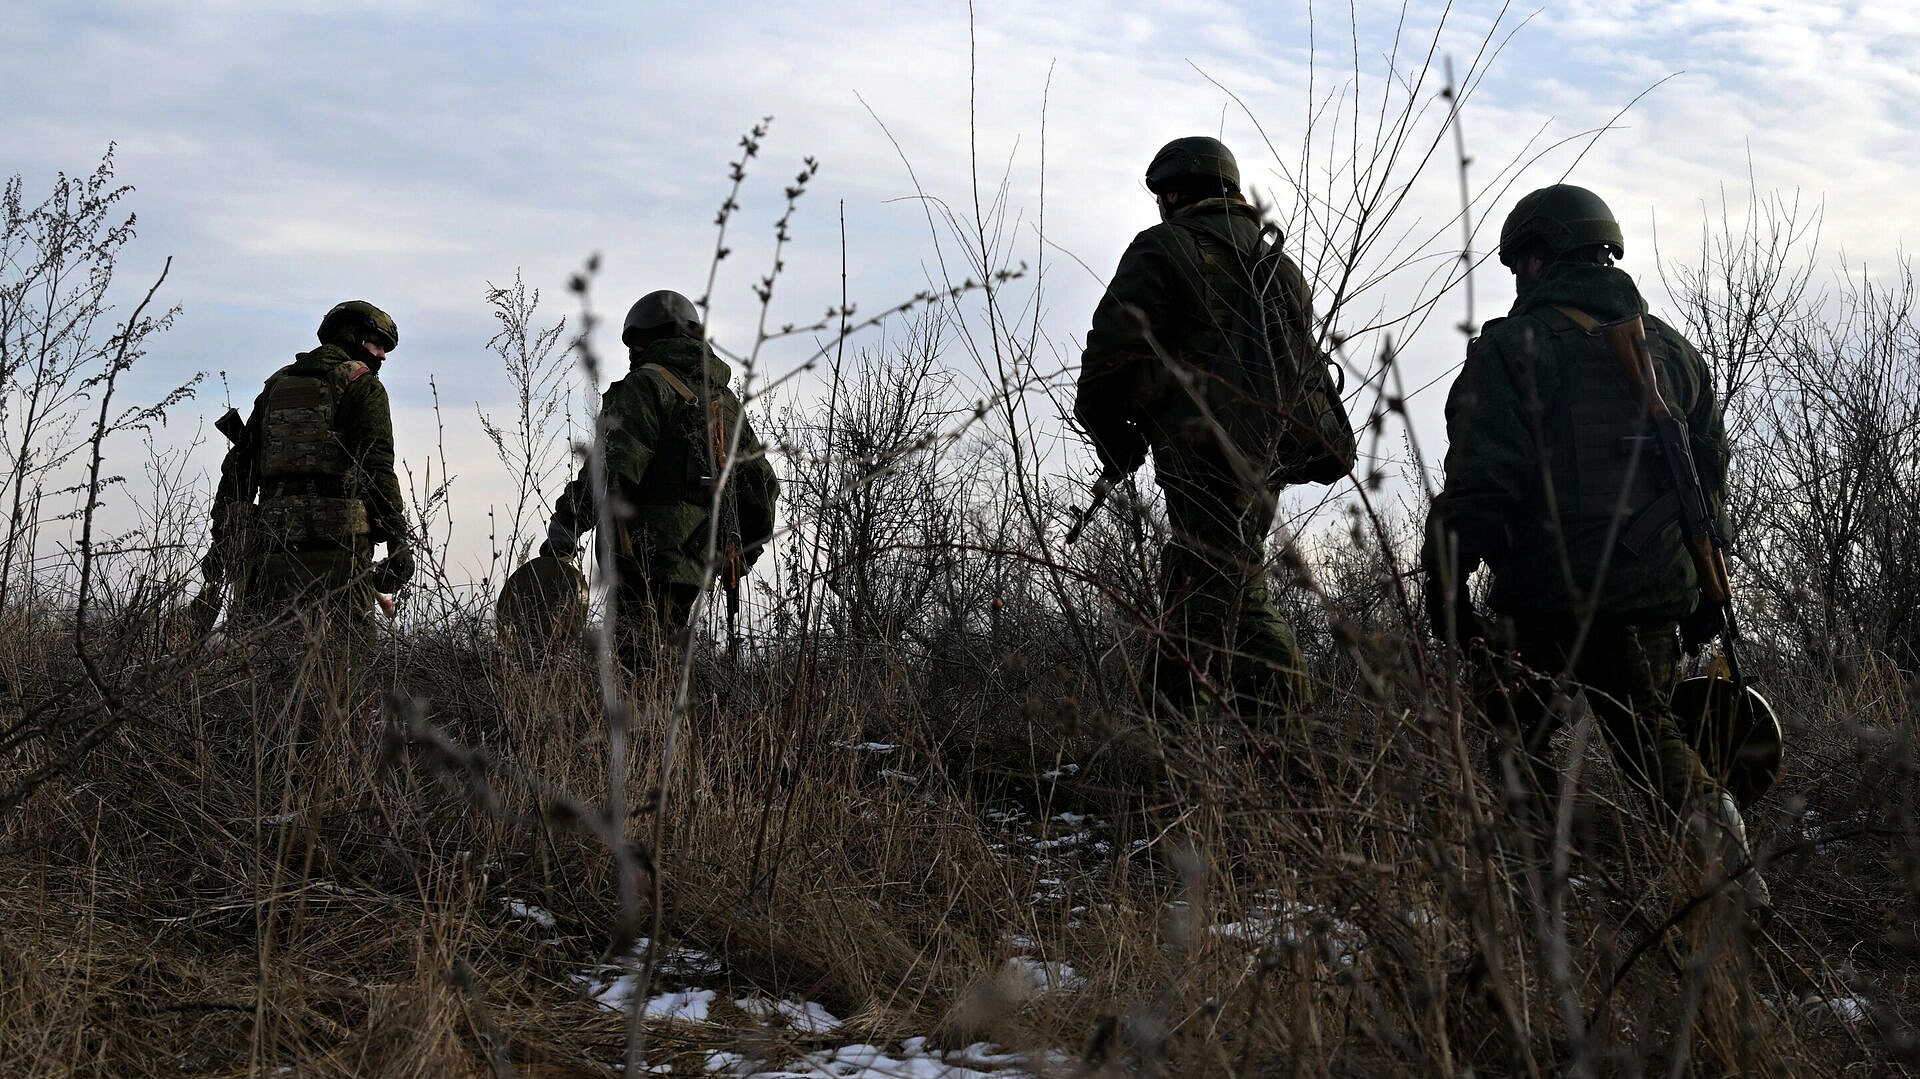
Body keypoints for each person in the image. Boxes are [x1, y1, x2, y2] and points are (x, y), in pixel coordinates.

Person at [1422, 184, 1767, 911]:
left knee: (1512, 743)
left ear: (1541, 258)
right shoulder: (1674, 351)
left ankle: (1533, 894)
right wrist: (1711, 589)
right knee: (1656, 744)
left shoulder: (1511, 348)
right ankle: (1736, 883)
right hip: (1648, 595)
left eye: (1522, 264)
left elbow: (1482, 480)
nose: (1519, 280)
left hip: (1543, 597)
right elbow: (1709, 480)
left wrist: (1446, 585)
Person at [1073, 136, 1317, 721]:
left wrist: (1110, 431)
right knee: (1202, 576)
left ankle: (1291, 746)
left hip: (1200, 450)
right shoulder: (1276, 264)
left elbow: (1111, 352)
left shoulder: (1164, 247)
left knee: (1224, 581)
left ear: (1174, 192)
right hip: (1270, 454)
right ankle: (1182, 740)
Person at [540, 290, 778, 664]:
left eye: (635, 343)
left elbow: (614, 464)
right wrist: (742, 551)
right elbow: (762, 485)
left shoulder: (647, 386)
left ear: (648, 337)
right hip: (698, 557)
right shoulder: (726, 402)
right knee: (665, 652)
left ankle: (647, 721)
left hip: (643, 553)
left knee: (635, 661)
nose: (633, 353)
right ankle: (674, 717)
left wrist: (570, 519)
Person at [205, 300, 413, 646]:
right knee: (347, 666)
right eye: (378, 344)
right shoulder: (363, 386)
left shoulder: (275, 386)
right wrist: (398, 541)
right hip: (339, 555)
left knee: (268, 664)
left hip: (273, 549)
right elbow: (376, 468)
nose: (383, 356)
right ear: (354, 337)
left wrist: (222, 540)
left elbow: (240, 471)